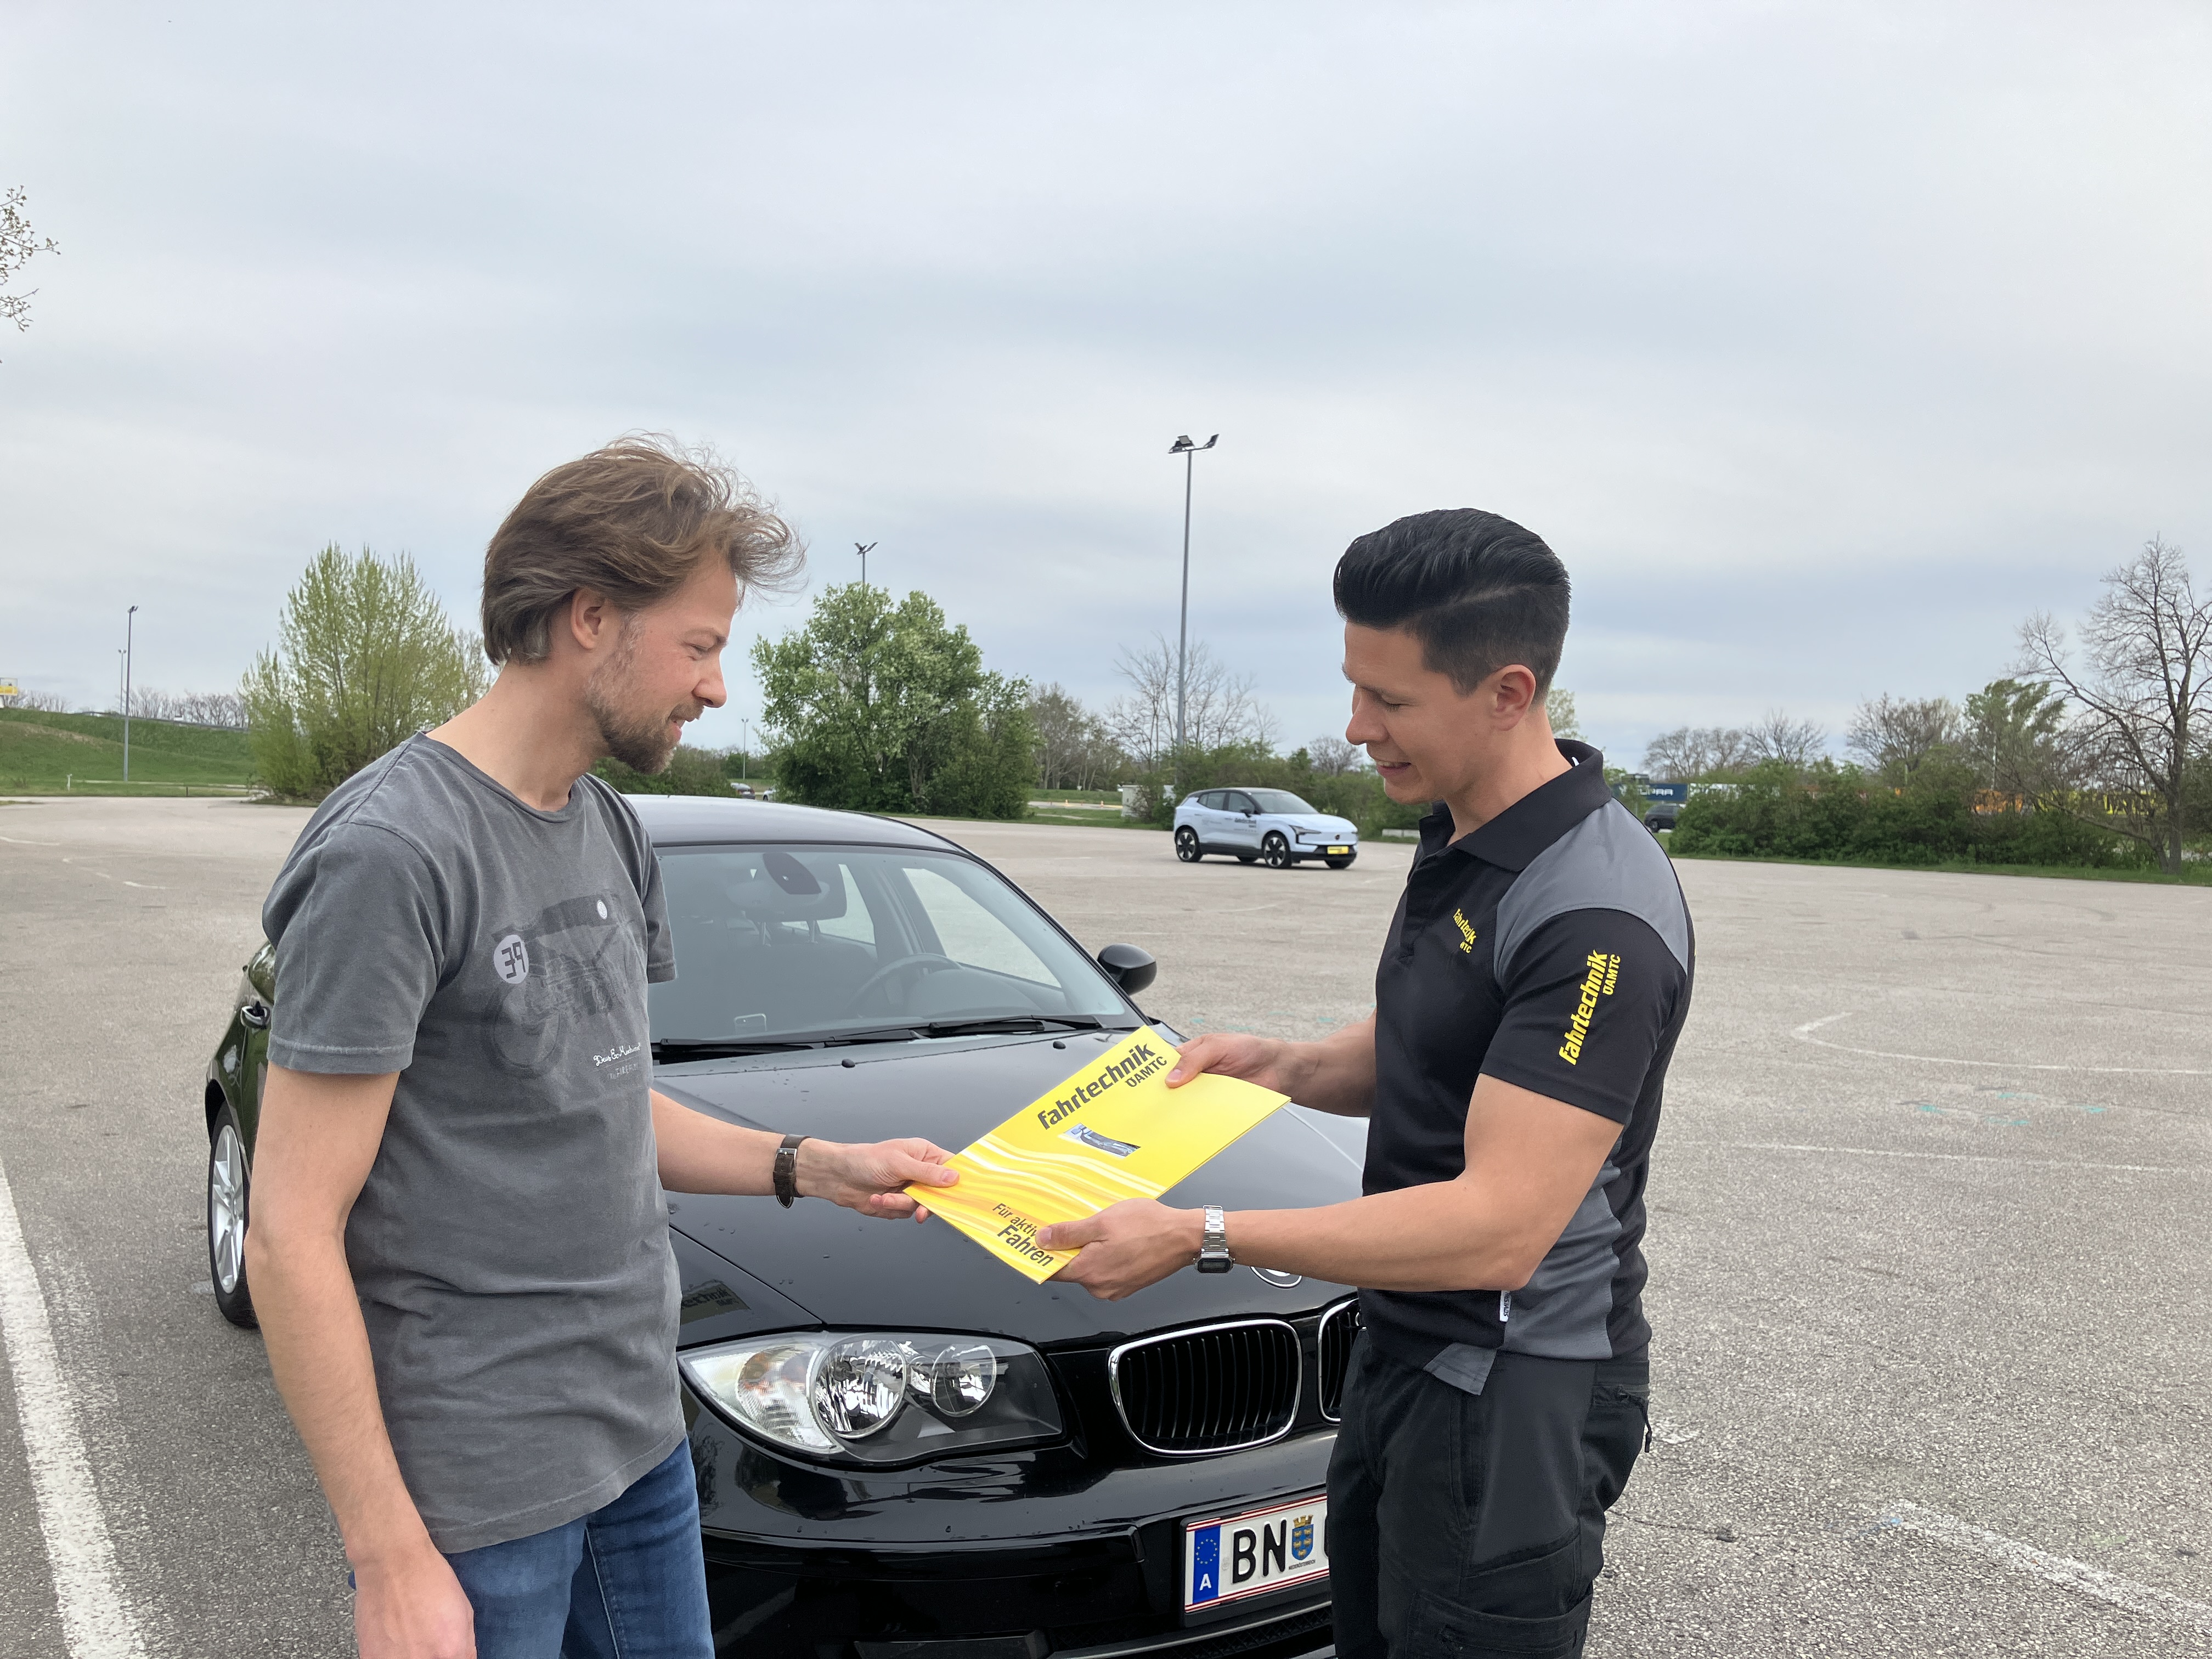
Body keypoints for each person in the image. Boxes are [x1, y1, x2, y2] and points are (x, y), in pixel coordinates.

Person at [244, 437, 960, 1659]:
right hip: (477, 1488)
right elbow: (289, 1230)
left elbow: (611, 1106)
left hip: (640, 1434)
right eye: (700, 646)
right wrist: (388, 1555)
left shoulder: (609, 831)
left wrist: (818, 1166)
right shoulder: (394, 852)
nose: (718, 688)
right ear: (589, 619)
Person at [1036, 510, 1691, 1659]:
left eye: (1389, 701)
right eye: (1354, 688)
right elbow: (1424, 1044)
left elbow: (1499, 1230)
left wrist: (1201, 1235)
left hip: (1514, 1383)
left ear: (1507, 692)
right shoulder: (1467, 836)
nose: (1355, 728)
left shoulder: (1596, 916)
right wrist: (1279, 1067)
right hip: (1402, 1351)